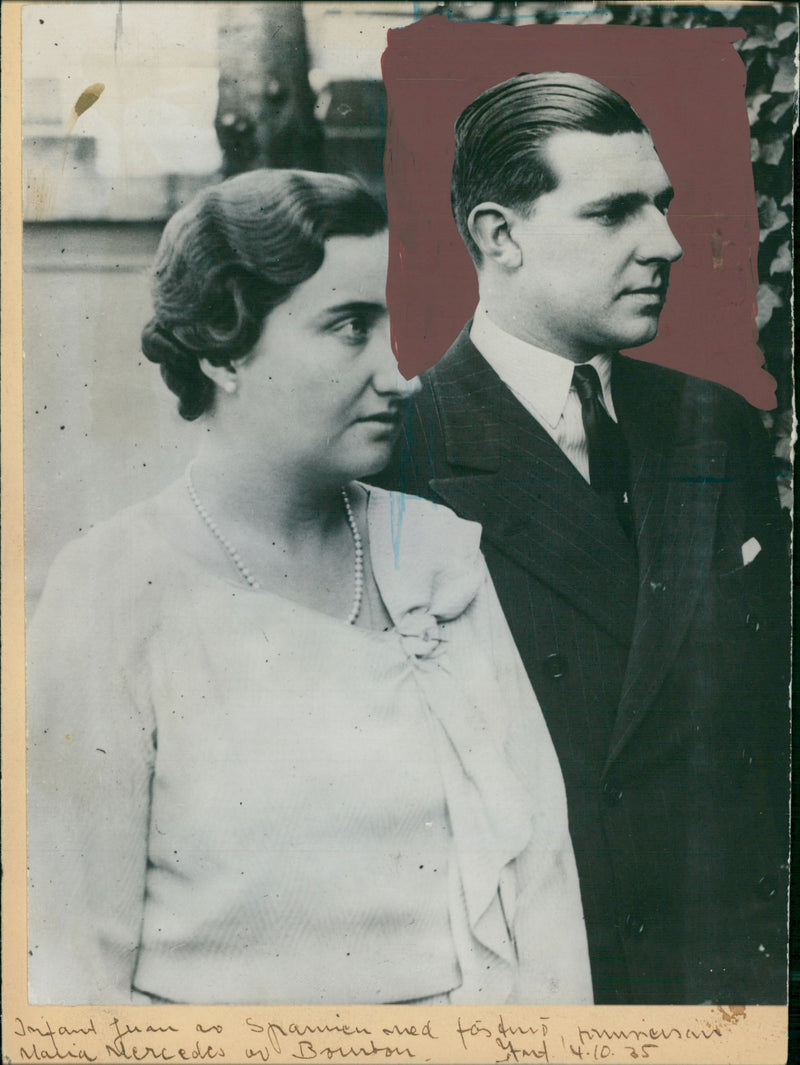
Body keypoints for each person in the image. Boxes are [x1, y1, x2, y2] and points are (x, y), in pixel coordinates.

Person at [26, 169, 592, 1006]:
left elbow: (542, 896)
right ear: (224, 347)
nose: (398, 375)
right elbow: (73, 969)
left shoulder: (433, 554)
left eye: (390, 325)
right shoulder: (111, 590)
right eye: (347, 327)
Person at [377, 72, 790, 1005]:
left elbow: (763, 748)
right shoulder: (403, 449)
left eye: (664, 206)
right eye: (615, 213)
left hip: (726, 980)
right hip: (543, 989)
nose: (669, 243)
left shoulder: (711, 422)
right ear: (499, 236)